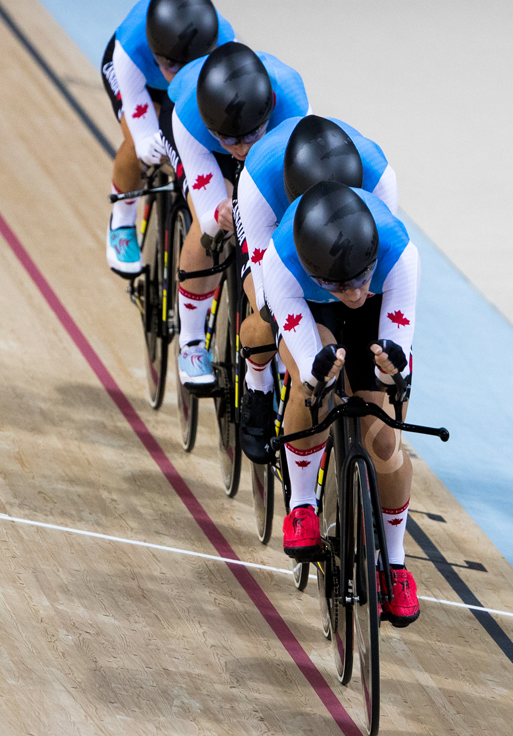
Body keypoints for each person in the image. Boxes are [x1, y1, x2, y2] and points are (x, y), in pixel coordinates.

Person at [264, 181, 421, 626]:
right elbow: (310, 369)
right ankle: (301, 505)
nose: (353, 293)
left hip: (379, 309)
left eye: (360, 280)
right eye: (341, 284)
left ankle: (395, 563)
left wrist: (396, 369)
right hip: (314, 311)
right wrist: (318, 376)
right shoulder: (281, 261)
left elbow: (398, 365)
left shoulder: (399, 253)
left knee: (384, 439)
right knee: (311, 389)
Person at [232, 115, 398, 462]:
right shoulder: (259, 183)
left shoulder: (379, 177)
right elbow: (271, 295)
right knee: (270, 317)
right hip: (281, 240)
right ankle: (257, 382)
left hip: (343, 253)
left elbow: (376, 261)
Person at [165, 41, 308, 386]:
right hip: (201, 146)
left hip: (273, 145)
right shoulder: (191, 119)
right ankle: (192, 341)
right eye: (232, 141)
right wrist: (221, 211)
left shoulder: (292, 102)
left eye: (251, 135)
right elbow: (214, 207)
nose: (243, 148)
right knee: (212, 225)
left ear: (269, 109)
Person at [100, 0, 234, 277]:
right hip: (139, 82)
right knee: (139, 145)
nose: (180, 74)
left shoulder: (223, 38)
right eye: (173, 65)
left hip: (184, 89)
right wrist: (149, 138)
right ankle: (121, 220)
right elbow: (138, 110)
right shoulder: (132, 45)